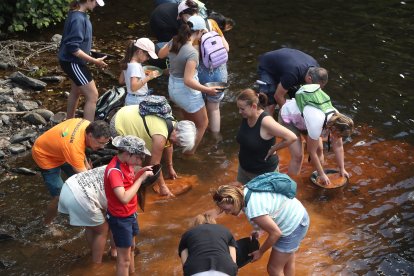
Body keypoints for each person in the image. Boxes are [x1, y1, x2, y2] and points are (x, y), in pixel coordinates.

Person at [212, 183, 309, 276]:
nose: (227, 213)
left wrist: (260, 252)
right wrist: (259, 230)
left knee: (273, 269)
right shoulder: (244, 191)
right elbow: (266, 207)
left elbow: (275, 233)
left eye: (227, 209)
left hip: (293, 225)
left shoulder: (253, 210)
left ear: (235, 200)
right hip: (298, 213)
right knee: (287, 259)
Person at [32, 119, 111, 224]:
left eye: (105, 143)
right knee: (59, 197)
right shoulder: (74, 147)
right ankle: (47, 224)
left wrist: (86, 164)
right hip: (44, 154)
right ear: (90, 135)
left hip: (61, 149)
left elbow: (80, 148)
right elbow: (87, 180)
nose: (102, 147)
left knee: (86, 172)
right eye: (100, 143)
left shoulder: (87, 125)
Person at [162, 15, 219, 154]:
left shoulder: (175, 41)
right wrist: (208, 90)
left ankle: (181, 143)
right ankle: (189, 152)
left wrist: (171, 42)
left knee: (189, 122)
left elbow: (160, 54)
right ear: (199, 32)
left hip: (173, 90)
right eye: (202, 33)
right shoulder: (192, 53)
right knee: (203, 123)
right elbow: (188, 80)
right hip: (187, 93)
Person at [110, 105, 196, 196]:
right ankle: (128, 189)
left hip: (127, 112)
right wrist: (163, 187)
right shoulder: (160, 135)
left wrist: (170, 167)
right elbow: (155, 164)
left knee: (148, 157)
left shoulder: (172, 122)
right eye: (180, 141)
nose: (178, 144)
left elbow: (169, 145)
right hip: (118, 125)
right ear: (177, 131)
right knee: (135, 162)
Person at [279, 90, 354, 186]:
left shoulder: (338, 119)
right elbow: (311, 151)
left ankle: (314, 177)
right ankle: (290, 186)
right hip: (289, 117)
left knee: (319, 149)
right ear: (334, 128)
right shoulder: (317, 123)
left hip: (305, 120)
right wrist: (322, 174)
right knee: (298, 156)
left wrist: (341, 168)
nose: (339, 138)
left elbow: (338, 146)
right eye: (339, 135)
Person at [104, 135, 154, 276]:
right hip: (121, 218)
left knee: (131, 248)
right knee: (124, 260)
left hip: (130, 214)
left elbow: (129, 182)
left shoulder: (127, 164)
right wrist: (142, 179)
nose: (139, 161)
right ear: (127, 153)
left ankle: (132, 273)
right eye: (138, 157)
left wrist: (142, 172)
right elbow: (124, 197)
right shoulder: (114, 171)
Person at [58, 0, 108, 122]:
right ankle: (88, 131)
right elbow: (73, 48)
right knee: (93, 95)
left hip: (71, 60)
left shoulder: (78, 14)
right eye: (96, 2)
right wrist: (94, 61)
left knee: (76, 91)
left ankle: (69, 122)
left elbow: (80, 42)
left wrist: (90, 52)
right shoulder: (78, 19)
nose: (96, 5)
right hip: (72, 62)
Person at [236, 89, 297, 184]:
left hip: (262, 174)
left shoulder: (266, 121)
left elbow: (291, 137)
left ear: (254, 106)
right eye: (239, 108)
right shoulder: (247, 116)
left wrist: (274, 148)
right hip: (244, 169)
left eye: (242, 109)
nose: (239, 111)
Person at [58, 165, 116, 263]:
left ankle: (93, 251)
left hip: (67, 187)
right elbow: (116, 221)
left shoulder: (113, 166)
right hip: (80, 197)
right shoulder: (124, 184)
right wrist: (115, 250)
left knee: (91, 225)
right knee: (102, 230)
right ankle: (96, 265)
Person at [257, 48, 328, 113]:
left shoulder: (317, 69)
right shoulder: (292, 74)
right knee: (270, 103)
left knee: (298, 97)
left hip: (286, 66)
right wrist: (288, 115)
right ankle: (266, 123)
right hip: (268, 66)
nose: (317, 90)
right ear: (309, 79)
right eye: (315, 87)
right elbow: (278, 96)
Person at [197, 11, 230, 134]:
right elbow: (226, 48)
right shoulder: (213, 24)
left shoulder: (192, 28)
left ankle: (200, 134)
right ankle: (215, 139)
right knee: (214, 109)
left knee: (199, 105)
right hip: (219, 73)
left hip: (200, 73)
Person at [118, 38, 159, 106]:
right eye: (147, 55)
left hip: (130, 98)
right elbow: (134, 87)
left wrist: (141, 77)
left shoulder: (128, 62)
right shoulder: (135, 66)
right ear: (140, 52)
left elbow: (121, 81)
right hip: (137, 101)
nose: (148, 58)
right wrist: (149, 77)